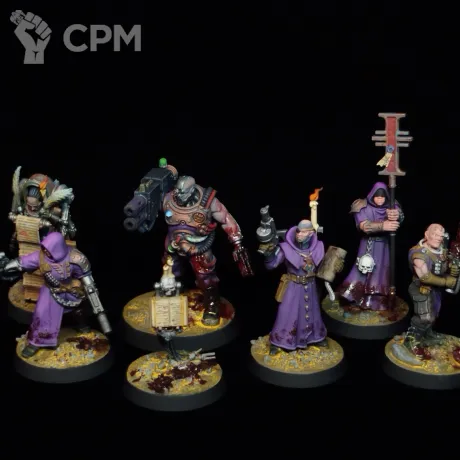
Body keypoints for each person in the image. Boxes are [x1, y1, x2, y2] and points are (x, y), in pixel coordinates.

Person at [161, 175, 253, 325]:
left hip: (198, 246)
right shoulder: (168, 198)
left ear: (191, 191)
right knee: (170, 271)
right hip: (173, 245)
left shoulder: (208, 201)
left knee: (205, 277)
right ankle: (172, 295)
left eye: (182, 192)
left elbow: (226, 218)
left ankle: (212, 304)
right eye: (177, 190)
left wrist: (236, 241)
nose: (178, 194)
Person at [0, 232, 108, 358]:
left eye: (49, 249)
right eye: (45, 248)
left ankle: (83, 325)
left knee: (79, 309)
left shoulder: (75, 257)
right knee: (41, 314)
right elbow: (22, 262)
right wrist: (7, 266)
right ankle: (38, 341)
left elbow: (85, 275)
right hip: (50, 291)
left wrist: (89, 288)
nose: (45, 251)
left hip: (70, 290)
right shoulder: (41, 256)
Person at [261, 220, 329, 354]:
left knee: (313, 312)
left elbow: (323, 266)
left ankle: (315, 337)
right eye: (298, 231)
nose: (299, 234)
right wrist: (269, 254)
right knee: (287, 313)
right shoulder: (287, 248)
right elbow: (272, 265)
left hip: (311, 285)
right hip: (293, 286)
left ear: (310, 233)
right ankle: (279, 340)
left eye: (303, 232)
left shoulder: (318, 247)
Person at [337, 181, 404, 310]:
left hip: (383, 245)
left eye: (383, 197)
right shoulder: (362, 206)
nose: (380, 199)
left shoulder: (392, 204)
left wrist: (397, 214)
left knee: (381, 271)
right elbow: (364, 226)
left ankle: (376, 299)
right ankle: (352, 294)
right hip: (367, 244)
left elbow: (400, 215)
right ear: (372, 195)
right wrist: (383, 225)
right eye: (377, 196)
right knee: (362, 269)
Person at [403, 223, 459, 354]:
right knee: (425, 317)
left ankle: (427, 334)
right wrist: (446, 281)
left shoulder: (442, 249)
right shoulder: (418, 253)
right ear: (427, 235)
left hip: (435, 290)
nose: (438, 238)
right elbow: (425, 277)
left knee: (434, 313)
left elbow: (444, 264)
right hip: (421, 289)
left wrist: (452, 268)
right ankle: (410, 341)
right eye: (435, 234)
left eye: (441, 235)